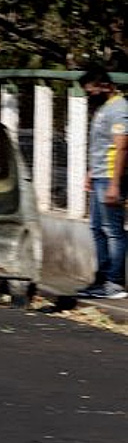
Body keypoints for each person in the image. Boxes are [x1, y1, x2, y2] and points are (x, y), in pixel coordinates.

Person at [78, 66, 128, 299]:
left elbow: (121, 147)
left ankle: (114, 282)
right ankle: (101, 279)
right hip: (99, 176)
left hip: (110, 178)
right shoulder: (103, 109)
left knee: (113, 231)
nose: (89, 96)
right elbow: (101, 145)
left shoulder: (119, 108)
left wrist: (115, 184)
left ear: (105, 87)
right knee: (97, 229)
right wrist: (91, 172)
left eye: (92, 91)